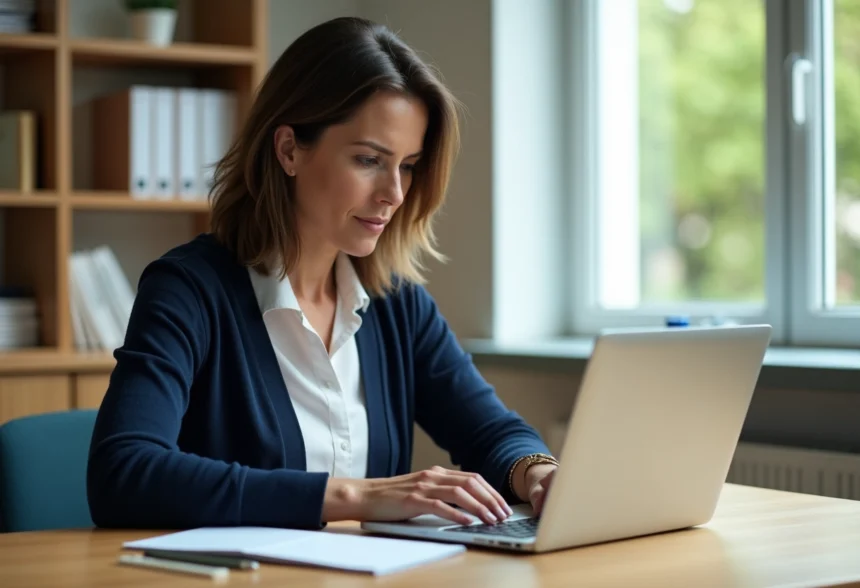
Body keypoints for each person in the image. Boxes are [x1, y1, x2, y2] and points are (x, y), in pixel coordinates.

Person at [86, 16, 558, 531]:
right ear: (289, 149)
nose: (394, 194)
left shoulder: (396, 303)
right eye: (368, 160)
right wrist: (357, 496)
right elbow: (124, 472)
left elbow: (492, 432)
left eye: (407, 165)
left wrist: (538, 473)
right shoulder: (188, 291)